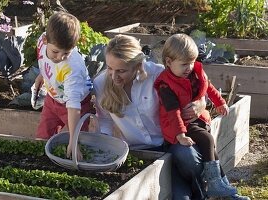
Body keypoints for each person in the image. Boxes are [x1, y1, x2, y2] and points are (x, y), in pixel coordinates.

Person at [93, 34, 207, 200]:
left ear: (138, 65)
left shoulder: (157, 74)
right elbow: (104, 119)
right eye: (110, 68)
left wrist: (200, 102)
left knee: (188, 158)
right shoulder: (101, 84)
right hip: (140, 151)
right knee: (180, 197)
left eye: (121, 71)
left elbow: (196, 83)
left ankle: (201, 189)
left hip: (171, 142)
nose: (114, 75)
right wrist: (108, 147)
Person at [154, 33, 250, 200]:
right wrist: (180, 135)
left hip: (196, 120)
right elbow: (172, 112)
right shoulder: (166, 84)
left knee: (210, 146)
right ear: (169, 62)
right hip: (179, 126)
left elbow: (208, 87)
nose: (190, 67)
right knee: (208, 140)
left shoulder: (193, 73)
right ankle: (216, 184)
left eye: (192, 62)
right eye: (184, 64)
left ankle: (221, 186)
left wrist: (220, 102)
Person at [31, 11, 92, 159]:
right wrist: (42, 75)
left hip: (77, 104)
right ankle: (43, 163)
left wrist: (74, 140)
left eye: (66, 53)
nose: (60, 57)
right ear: (45, 40)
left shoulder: (73, 68)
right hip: (52, 99)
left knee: (76, 143)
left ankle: (76, 161)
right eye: (55, 52)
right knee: (43, 135)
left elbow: (73, 106)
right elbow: (43, 60)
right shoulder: (41, 41)